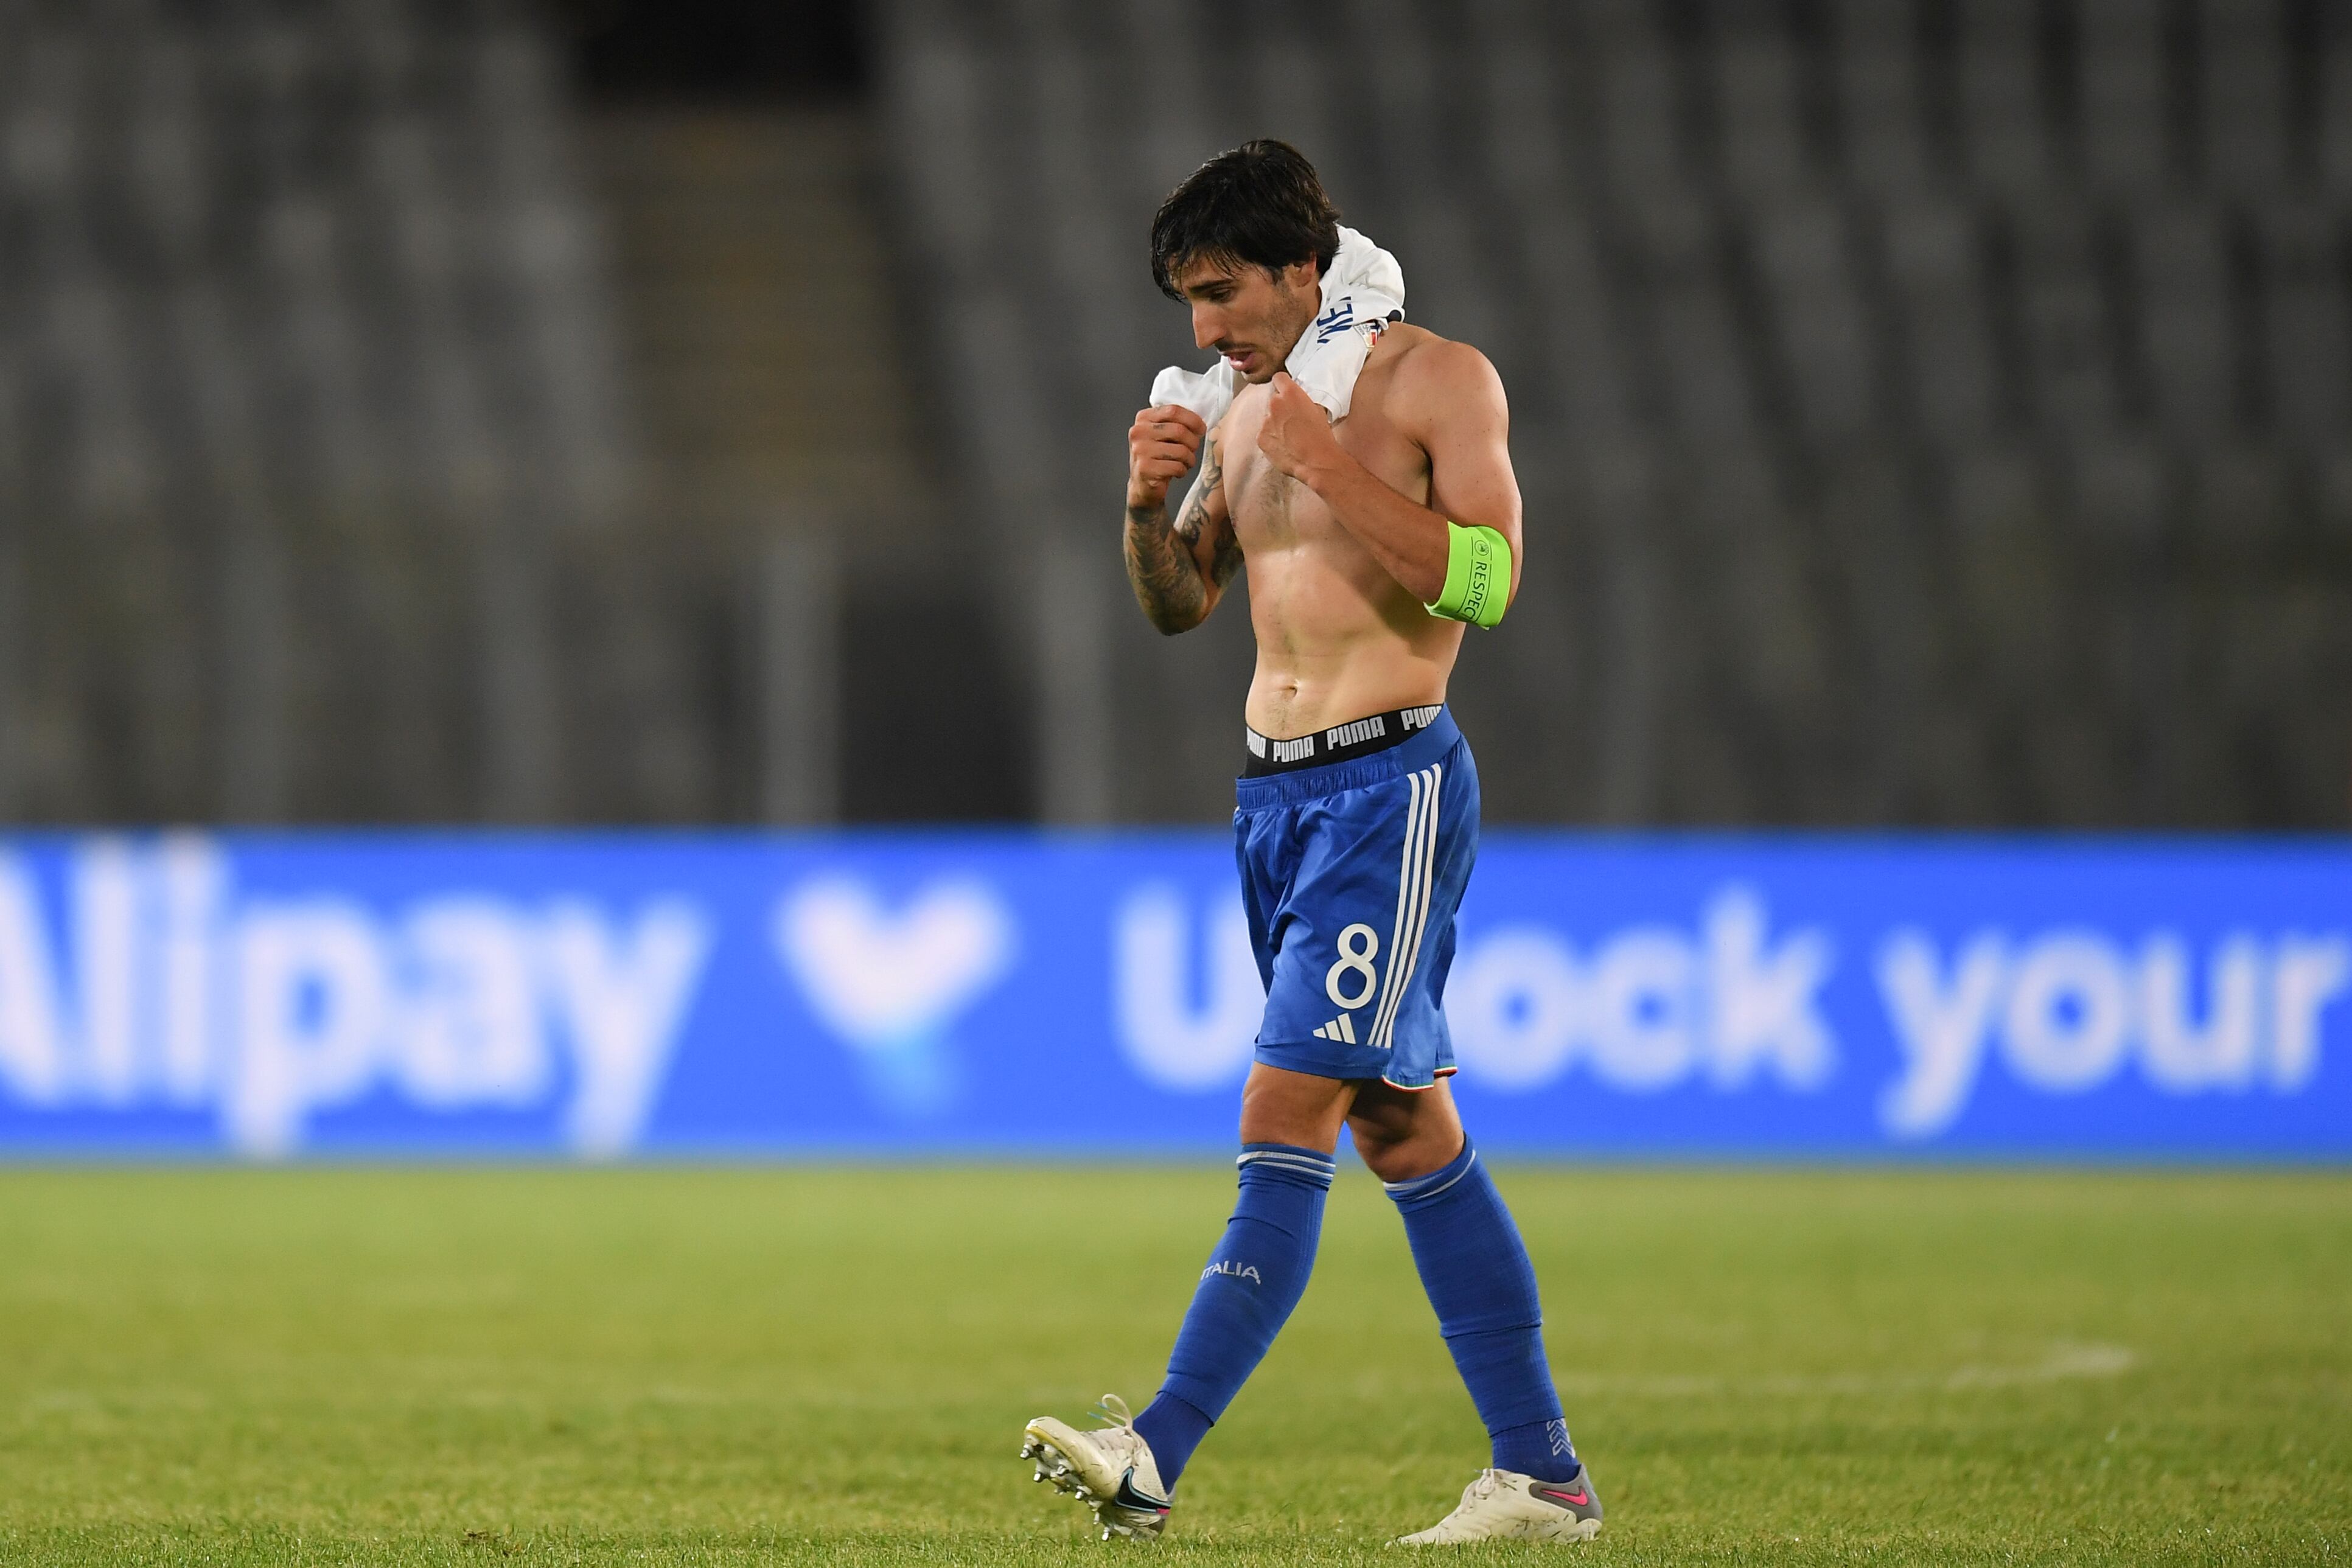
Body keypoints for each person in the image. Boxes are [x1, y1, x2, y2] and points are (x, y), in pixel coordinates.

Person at [1019, 141, 1601, 1547]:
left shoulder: (1433, 383)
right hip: (1272, 797)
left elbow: (1490, 577)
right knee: (1404, 1127)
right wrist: (1142, 505)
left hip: (1387, 787)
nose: (1203, 330)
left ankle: (1152, 1446)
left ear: (1303, 266)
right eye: (1187, 305)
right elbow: (1181, 606)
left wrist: (1330, 466)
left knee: (1285, 1110)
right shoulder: (1240, 405)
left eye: (1221, 293)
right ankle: (1543, 1477)